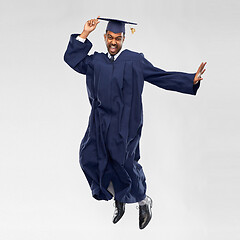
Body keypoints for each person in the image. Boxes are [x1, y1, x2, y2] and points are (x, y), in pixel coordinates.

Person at [63, 16, 206, 230]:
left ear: (123, 39)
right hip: (99, 124)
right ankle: (118, 198)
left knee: (124, 165)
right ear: (104, 37)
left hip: (125, 126)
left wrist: (189, 80)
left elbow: (160, 77)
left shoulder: (135, 61)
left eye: (118, 38)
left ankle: (143, 201)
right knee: (89, 158)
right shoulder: (96, 62)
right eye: (110, 37)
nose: (113, 42)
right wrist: (84, 34)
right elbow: (73, 60)